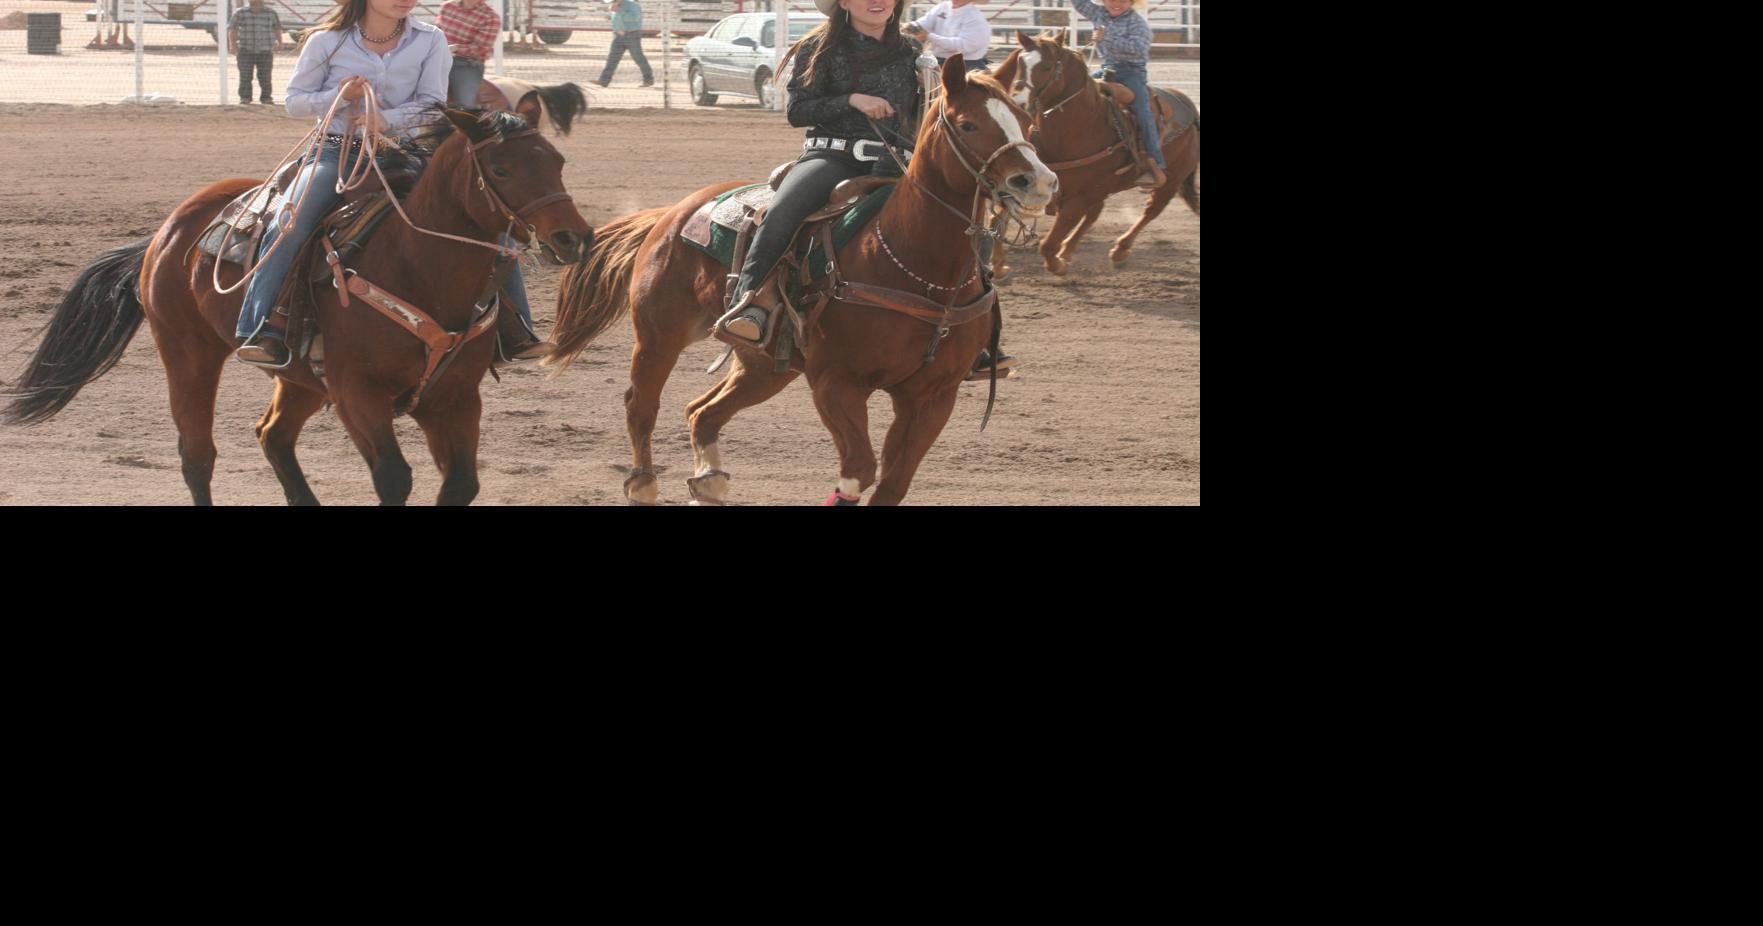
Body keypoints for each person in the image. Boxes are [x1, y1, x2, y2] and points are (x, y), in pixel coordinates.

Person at [235, 0, 550, 367]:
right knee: (293, 222)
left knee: (491, 215)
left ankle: (514, 327)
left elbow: (433, 103)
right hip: (337, 154)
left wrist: (385, 119)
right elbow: (295, 103)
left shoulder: (430, 39)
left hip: (409, 152)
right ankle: (262, 327)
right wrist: (339, 96)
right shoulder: (326, 41)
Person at [716, 0, 920, 345]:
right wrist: (852, 99)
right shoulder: (819, 48)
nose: (878, 2)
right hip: (832, 156)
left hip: (898, 159)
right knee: (783, 212)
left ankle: (977, 327)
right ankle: (748, 301)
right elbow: (797, 110)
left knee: (960, 210)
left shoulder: (912, 50)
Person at [1070, 0, 1164, 189]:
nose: (1116, 4)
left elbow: (1139, 48)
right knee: (1074, 92)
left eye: (1122, 0)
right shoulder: (1099, 13)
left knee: (1143, 112)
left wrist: (1108, 36)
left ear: (1131, 2)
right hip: (1107, 68)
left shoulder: (1137, 22)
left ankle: (1155, 161)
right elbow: (1079, 3)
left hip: (1132, 72)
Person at [437, 0, 499, 107]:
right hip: (438, 59)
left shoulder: (490, 17)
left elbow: (481, 48)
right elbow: (436, 32)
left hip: (466, 64)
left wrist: (455, 48)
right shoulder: (447, 7)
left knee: (465, 105)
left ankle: (467, 120)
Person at [902, 0, 990, 72]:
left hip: (965, 65)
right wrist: (913, 26)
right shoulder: (943, 7)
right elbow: (925, 22)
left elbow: (963, 45)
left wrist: (929, 36)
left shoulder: (974, 17)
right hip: (940, 61)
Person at [229, 0, 285, 105]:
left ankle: (266, 98)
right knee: (245, 75)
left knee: (265, 76)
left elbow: (277, 28)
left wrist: (280, 42)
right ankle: (245, 98)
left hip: (265, 50)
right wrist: (233, 45)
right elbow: (233, 29)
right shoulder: (240, 12)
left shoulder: (271, 13)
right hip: (246, 50)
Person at [594, 0, 653, 88]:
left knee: (638, 58)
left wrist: (619, 11)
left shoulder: (633, 5)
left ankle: (648, 79)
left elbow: (635, 18)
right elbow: (616, 20)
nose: (612, 2)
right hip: (619, 35)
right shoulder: (616, 6)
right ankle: (604, 80)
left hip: (631, 34)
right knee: (612, 59)